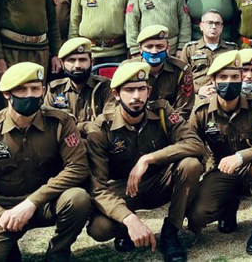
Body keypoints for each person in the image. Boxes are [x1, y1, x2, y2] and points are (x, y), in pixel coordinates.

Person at [0, 62, 90, 261]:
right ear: (7, 93)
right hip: (6, 207)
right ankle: (9, 246)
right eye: (21, 90)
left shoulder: (60, 122)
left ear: (43, 91)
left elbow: (77, 167)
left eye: (35, 89)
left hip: (48, 202)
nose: (29, 95)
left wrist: (32, 203)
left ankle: (58, 253)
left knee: (78, 198)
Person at [84, 62, 204, 261]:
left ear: (148, 90)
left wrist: (149, 158)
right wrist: (129, 219)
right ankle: (127, 231)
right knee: (99, 228)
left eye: (141, 89)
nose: (136, 96)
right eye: (129, 90)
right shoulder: (101, 129)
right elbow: (97, 188)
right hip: (124, 190)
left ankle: (171, 232)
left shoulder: (162, 111)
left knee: (190, 165)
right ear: (115, 94)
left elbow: (195, 144)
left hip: (159, 182)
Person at [185, 51, 252, 255]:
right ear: (213, 80)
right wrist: (204, 167)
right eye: (223, 77)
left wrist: (242, 156)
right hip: (222, 170)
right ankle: (228, 205)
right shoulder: (202, 111)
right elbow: (190, 144)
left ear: (241, 79)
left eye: (234, 77)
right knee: (197, 215)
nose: (229, 82)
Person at [45, 37, 114, 134]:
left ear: (92, 62)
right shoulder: (55, 89)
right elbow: (48, 124)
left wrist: (73, 126)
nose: (77, 65)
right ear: (62, 63)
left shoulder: (105, 87)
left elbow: (109, 121)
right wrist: (87, 126)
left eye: (82, 60)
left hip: (96, 141)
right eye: (71, 60)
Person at [128, 25, 194, 118]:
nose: (154, 51)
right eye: (149, 47)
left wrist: (171, 124)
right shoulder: (128, 69)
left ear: (168, 49)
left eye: (159, 46)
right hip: (136, 120)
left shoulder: (181, 70)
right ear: (140, 49)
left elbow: (183, 109)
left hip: (170, 121)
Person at [181, 10, 237, 96]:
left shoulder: (231, 49)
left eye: (218, 24)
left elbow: (238, 75)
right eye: (209, 23)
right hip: (196, 95)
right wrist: (197, 89)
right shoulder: (190, 49)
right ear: (201, 26)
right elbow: (181, 77)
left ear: (222, 28)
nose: (214, 27)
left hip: (224, 95)